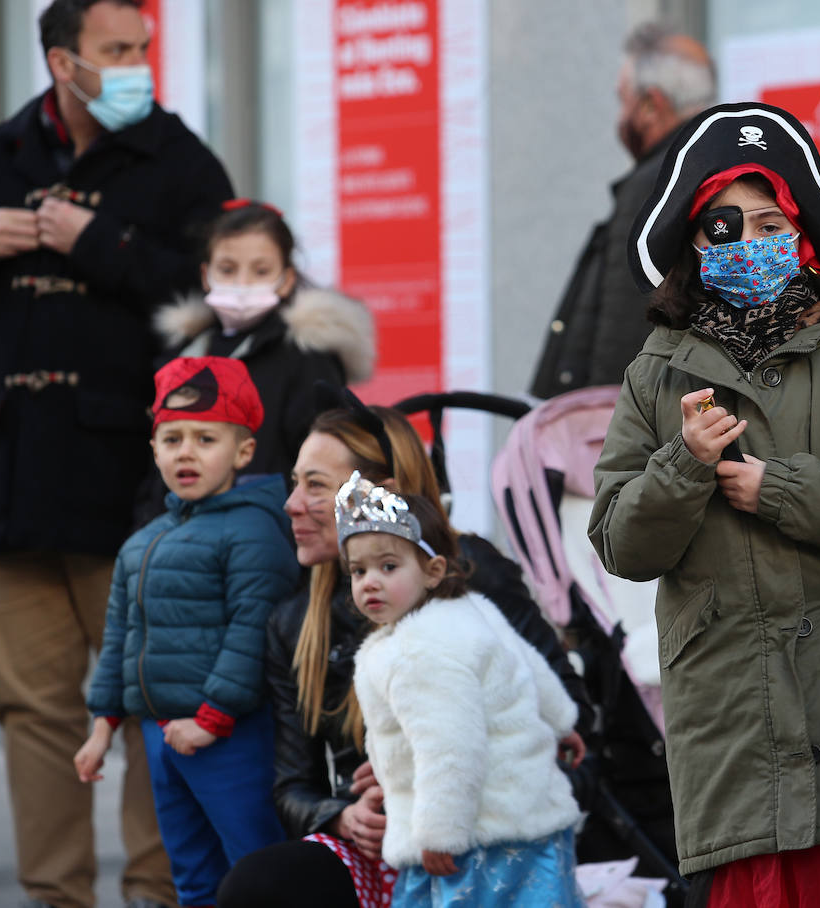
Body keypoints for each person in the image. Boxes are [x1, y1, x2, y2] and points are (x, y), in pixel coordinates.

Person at [589, 102, 820, 907]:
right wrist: (684, 466)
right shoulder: (652, 373)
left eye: (768, 222)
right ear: (693, 244)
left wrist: (782, 489)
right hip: (734, 728)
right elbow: (622, 542)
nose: (749, 241)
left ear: (799, 233)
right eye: (722, 225)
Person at [0, 1, 234, 905]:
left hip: (137, 491)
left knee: (155, 706)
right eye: (115, 51)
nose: (136, 65)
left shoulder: (180, 161)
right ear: (60, 60)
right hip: (17, 479)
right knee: (34, 713)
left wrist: (102, 242)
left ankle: (157, 894)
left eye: (142, 47)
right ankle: (55, 897)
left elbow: (223, 293)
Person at [213, 392, 593, 908]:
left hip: (483, 825)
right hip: (385, 837)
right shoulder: (295, 619)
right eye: (295, 482)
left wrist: (433, 800)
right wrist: (344, 814)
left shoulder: (466, 575)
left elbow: (546, 704)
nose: (292, 503)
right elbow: (292, 785)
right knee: (258, 885)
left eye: (316, 486)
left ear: (379, 493)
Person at [76, 357, 297, 907]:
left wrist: (213, 717)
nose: (186, 452)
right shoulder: (143, 541)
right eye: (171, 438)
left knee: (254, 864)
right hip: (162, 735)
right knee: (190, 872)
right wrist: (103, 725)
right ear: (153, 451)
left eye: (206, 438)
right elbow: (120, 636)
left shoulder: (253, 530)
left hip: (228, 736)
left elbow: (252, 631)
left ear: (243, 452)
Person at [337, 475, 586, 905]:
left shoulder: (419, 651)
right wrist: (561, 722)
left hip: (474, 843)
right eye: (358, 571)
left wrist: (440, 833)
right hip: (527, 820)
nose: (369, 582)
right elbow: (527, 663)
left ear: (433, 571)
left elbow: (449, 747)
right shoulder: (470, 608)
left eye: (388, 566)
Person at [135, 198, 375, 525]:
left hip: (270, 536)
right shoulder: (186, 354)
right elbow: (154, 467)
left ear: (287, 278)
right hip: (183, 535)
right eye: (227, 269)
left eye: (261, 271)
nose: (243, 283)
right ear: (206, 275)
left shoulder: (307, 358)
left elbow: (324, 463)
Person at [529, 22, 716, 398]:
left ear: (651, 105)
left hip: (633, 430)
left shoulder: (656, 183)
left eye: (623, 100)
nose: (620, 118)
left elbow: (623, 330)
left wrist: (608, 436)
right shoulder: (711, 169)